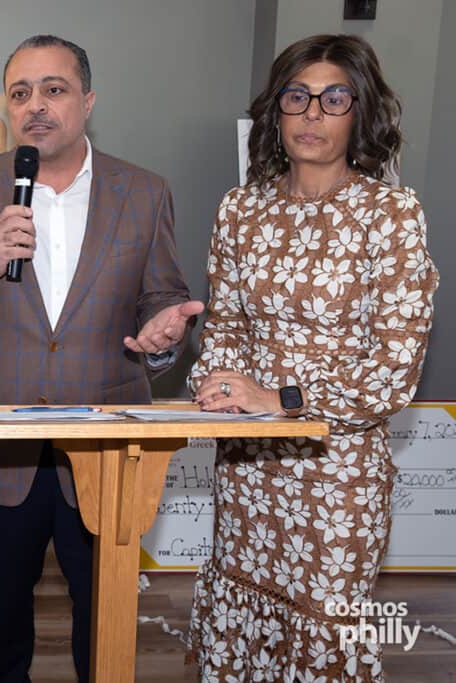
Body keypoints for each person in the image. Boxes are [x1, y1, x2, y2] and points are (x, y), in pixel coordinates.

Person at [0, 34, 203, 682]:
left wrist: (164, 332)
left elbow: (165, 297)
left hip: (106, 449)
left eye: (54, 89)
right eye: (20, 92)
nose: (36, 105)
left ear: (88, 100)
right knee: (0, 616)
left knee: (103, 610)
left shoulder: (144, 191)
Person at [187, 34, 438, 681]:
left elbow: (396, 366)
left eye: (334, 98)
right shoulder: (240, 209)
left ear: (362, 113)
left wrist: (282, 398)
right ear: (277, 111)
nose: (313, 114)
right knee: (244, 628)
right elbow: (228, 324)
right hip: (248, 466)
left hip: (338, 473)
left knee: (325, 632)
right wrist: (218, 384)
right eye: (297, 97)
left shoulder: (390, 214)